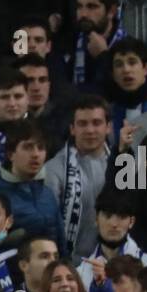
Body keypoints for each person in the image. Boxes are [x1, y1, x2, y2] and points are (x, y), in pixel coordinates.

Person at [44, 95, 111, 259]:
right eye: (82, 124)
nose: (90, 130)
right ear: (72, 129)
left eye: (96, 123)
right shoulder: (54, 169)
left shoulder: (121, 164)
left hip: (115, 260)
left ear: (108, 127)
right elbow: (49, 223)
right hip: (72, 263)